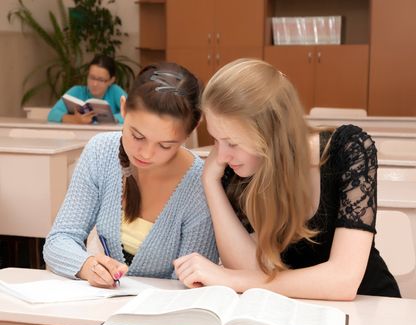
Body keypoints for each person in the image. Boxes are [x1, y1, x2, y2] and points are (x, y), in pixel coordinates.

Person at [174, 58, 401, 300]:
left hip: (370, 309)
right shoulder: (237, 168)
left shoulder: (349, 149)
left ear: (272, 134)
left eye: (232, 142)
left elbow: (342, 281)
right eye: (216, 139)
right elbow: (251, 272)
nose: (221, 155)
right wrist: (211, 183)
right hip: (292, 313)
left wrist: (229, 279)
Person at [43, 62, 218, 288]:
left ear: (191, 130)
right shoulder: (101, 152)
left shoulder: (199, 183)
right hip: (100, 308)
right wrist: (87, 266)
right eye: (137, 136)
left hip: (163, 315)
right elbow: (59, 240)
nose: (145, 153)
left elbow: (194, 281)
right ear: (123, 109)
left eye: (165, 146)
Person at [47, 55, 127, 124]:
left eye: (101, 80)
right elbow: (53, 114)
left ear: (111, 80)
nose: (94, 84)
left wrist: (112, 119)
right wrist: (74, 120)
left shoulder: (114, 91)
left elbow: (134, 112)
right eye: (92, 78)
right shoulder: (77, 91)